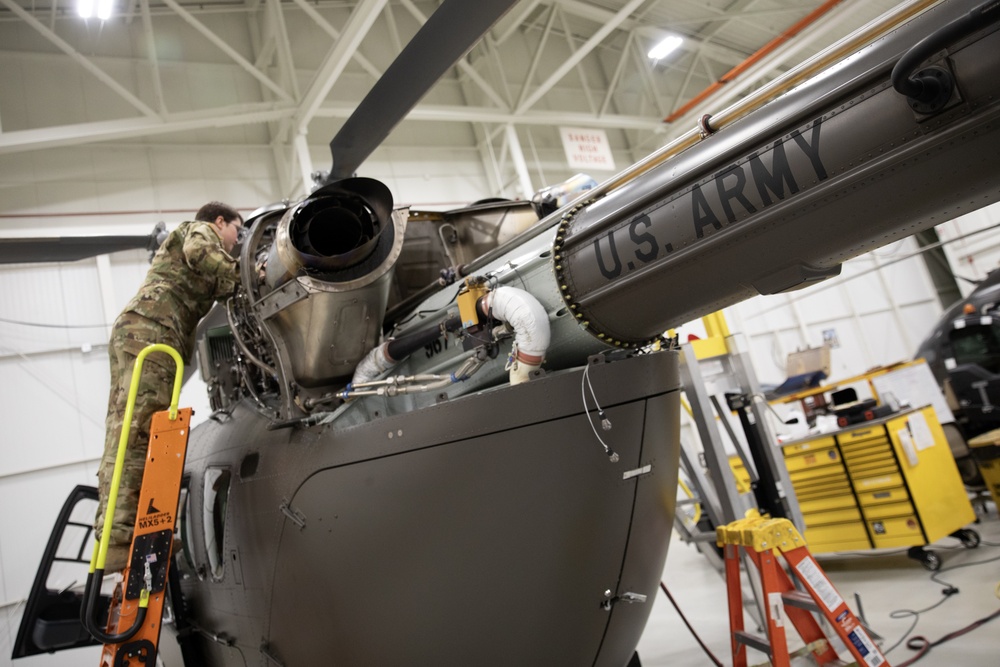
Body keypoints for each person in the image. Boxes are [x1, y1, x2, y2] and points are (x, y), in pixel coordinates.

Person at [95, 202, 243, 572]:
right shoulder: (198, 232)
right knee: (137, 430)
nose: (237, 241)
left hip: (147, 333)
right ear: (219, 221)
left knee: (129, 428)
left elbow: (232, 288)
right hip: (151, 332)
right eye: (236, 232)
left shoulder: (210, 266)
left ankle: (124, 530)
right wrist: (245, 269)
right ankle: (116, 538)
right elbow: (203, 254)